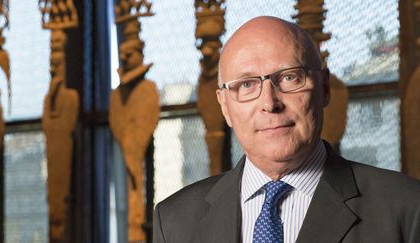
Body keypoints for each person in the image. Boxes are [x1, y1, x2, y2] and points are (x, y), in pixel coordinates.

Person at [152, 16, 420, 243]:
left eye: (290, 77)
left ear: (324, 88)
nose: (270, 103)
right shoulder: (175, 221)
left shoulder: (407, 207)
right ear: (224, 106)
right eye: (246, 85)